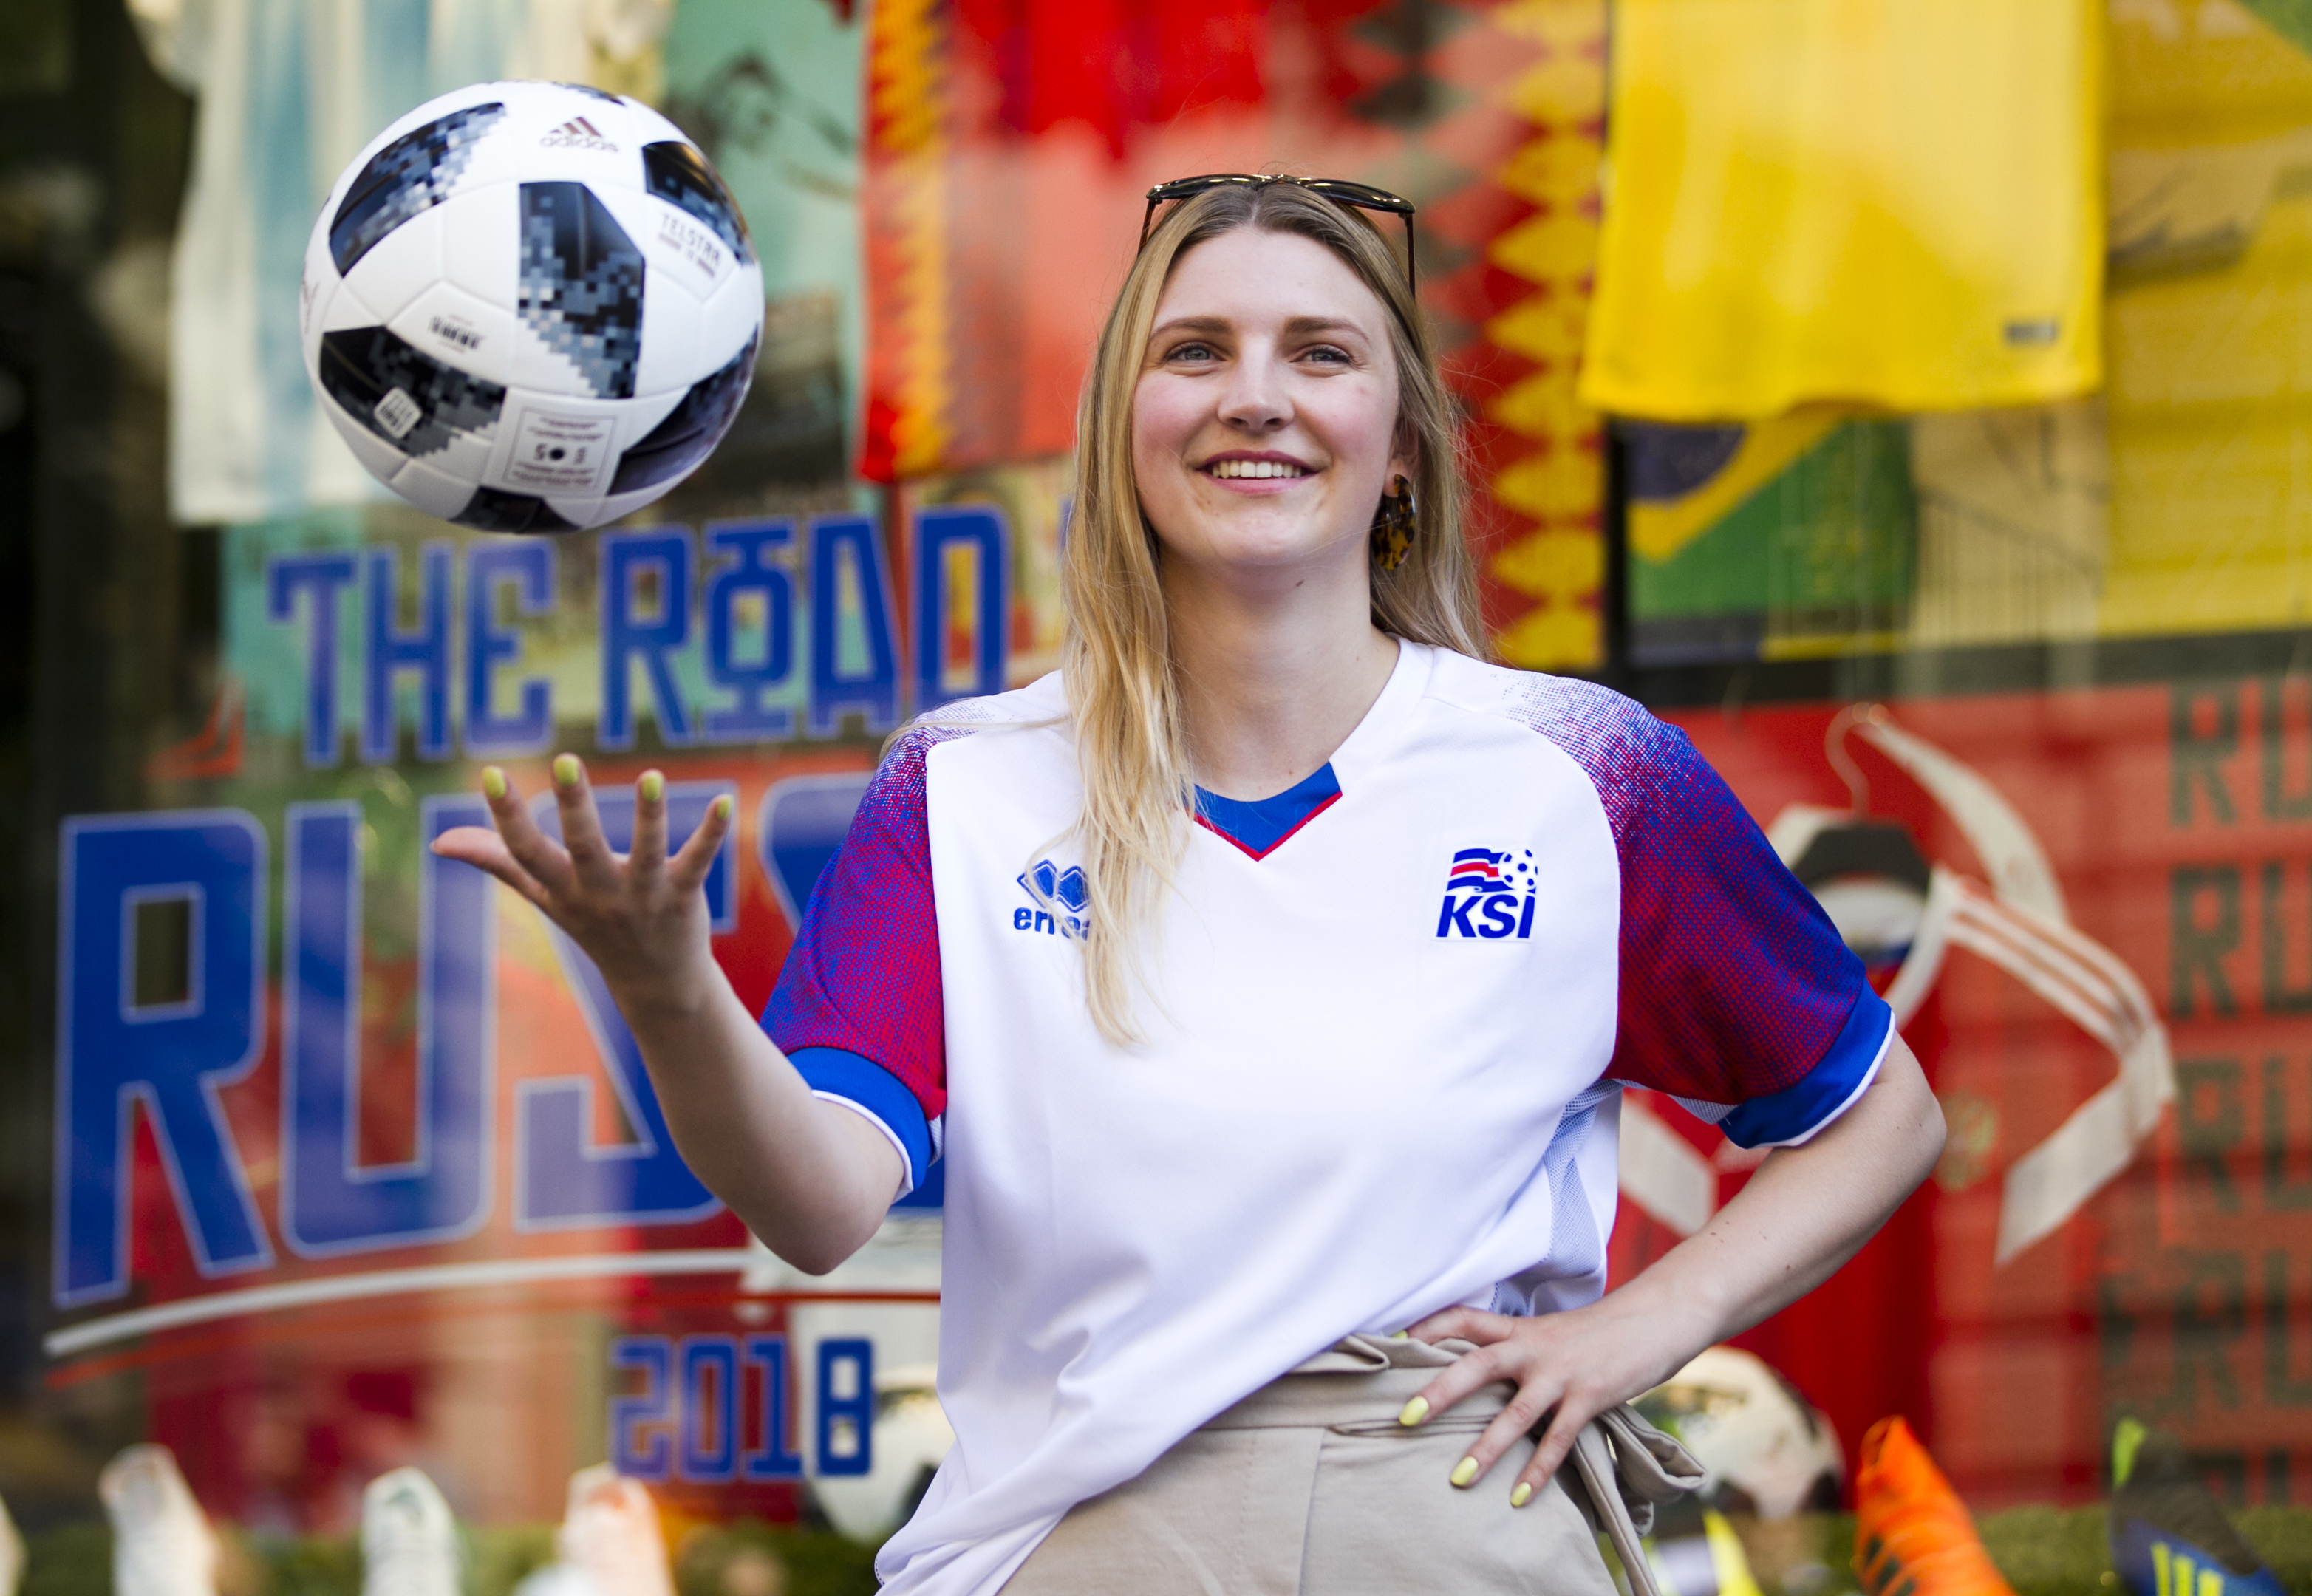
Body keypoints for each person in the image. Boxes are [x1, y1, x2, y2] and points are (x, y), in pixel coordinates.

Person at [435, 176, 1947, 1596]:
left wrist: (1638, 1331)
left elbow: (1878, 1118)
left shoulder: (1583, 773)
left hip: (1443, 1514)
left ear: (1401, 446)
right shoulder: (960, 783)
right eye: (1195, 349)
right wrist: (663, 983)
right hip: (1077, 1534)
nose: (1254, 395)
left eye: (1320, 352)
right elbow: (820, 1205)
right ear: (1123, 429)